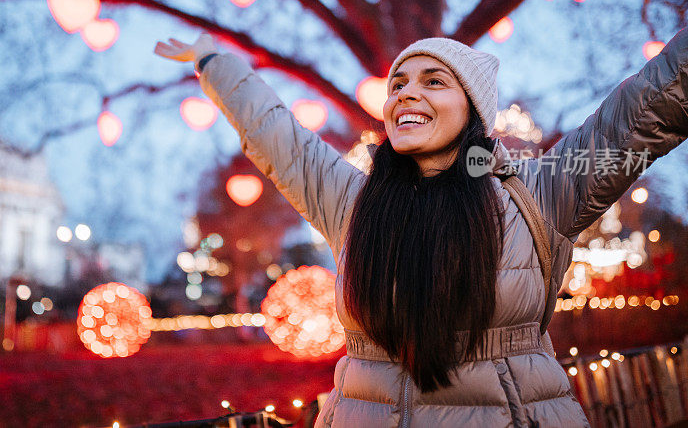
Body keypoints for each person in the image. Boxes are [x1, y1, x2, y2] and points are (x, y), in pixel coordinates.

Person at [155, 28, 688, 427]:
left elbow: (641, 113)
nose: (406, 94)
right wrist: (214, 60)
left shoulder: (539, 193)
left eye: (433, 82)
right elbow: (277, 136)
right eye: (399, 84)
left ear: (473, 111)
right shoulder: (355, 204)